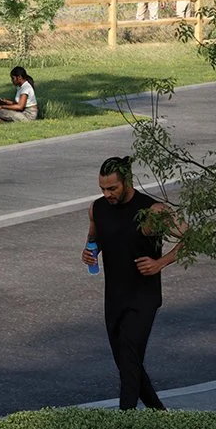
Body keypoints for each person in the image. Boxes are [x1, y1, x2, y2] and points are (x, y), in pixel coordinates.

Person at [82, 156, 178, 410]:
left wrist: (160, 262)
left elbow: (192, 238)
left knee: (129, 360)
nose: (107, 194)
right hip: (114, 298)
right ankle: (160, 416)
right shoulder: (97, 208)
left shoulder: (152, 211)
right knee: (128, 364)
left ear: (126, 181)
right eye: (103, 188)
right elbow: (94, 239)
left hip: (143, 298)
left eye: (112, 188)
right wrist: (90, 252)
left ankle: (125, 423)